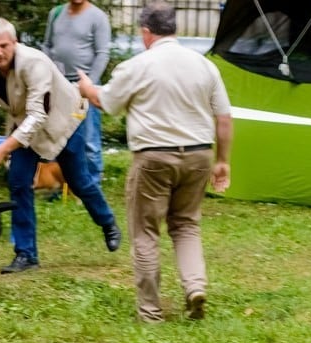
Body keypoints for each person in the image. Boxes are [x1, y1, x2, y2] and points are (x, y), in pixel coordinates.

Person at [77, 2, 232, 322]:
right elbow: (225, 118)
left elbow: (106, 102)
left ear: (145, 32)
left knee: (146, 232)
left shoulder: (137, 66)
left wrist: (87, 88)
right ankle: (195, 287)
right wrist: (223, 162)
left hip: (153, 157)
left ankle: (150, 312)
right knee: (186, 226)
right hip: (199, 154)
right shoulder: (204, 65)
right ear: (174, 28)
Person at [0, 17, 121, 274]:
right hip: (25, 127)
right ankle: (26, 254)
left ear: (14, 43)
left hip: (63, 122)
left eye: (3, 46)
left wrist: (3, 149)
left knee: (79, 182)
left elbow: (39, 115)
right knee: (18, 184)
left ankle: (108, 223)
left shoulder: (34, 62)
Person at [42, 0, 110, 186]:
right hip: (60, 85)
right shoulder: (55, 13)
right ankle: (64, 184)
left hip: (85, 87)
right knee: (59, 134)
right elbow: (47, 45)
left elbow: (103, 53)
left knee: (89, 139)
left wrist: (89, 84)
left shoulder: (98, 17)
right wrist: (50, 71)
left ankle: (92, 184)